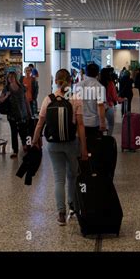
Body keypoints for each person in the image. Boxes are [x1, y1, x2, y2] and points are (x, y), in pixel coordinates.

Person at [31, 69, 87, 226]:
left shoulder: (48, 99)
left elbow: (40, 123)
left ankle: (61, 214)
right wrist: (84, 148)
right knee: (72, 176)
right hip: (71, 143)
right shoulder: (75, 99)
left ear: (55, 81)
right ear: (70, 81)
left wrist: (34, 141)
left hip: (53, 145)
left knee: (58, 178)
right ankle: (72, 207)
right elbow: (81, 126)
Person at [0, 71, 31, 159]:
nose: (10, 79)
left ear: (15, 78)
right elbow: (0, 100)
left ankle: (25, 145)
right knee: (14, 132)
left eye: (12, 77)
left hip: (22, 113)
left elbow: (26, 100)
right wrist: (6, 96)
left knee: (23, 131)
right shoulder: (6, 88)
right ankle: (15, 151)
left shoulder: (21, 87)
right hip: (12, 114)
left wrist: (29, 112)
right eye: (9, 77)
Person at [74, 63, 106, 142]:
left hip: (80, 121)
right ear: (98, 73)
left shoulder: (77, 86)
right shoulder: (100, 87)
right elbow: (100, 106)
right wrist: (102, 123)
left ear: (85, 72)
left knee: (81, 145)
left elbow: (75, 104)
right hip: (93, 123)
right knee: (93, 145)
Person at [100, 68, 125, 136]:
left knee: (100, 124)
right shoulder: (110, 83)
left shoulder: (98, 83)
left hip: (99, 107)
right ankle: (108, 138)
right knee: (111, 124)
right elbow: (114, 97)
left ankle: (101, 138)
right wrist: (122, 99)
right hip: (108, 106)